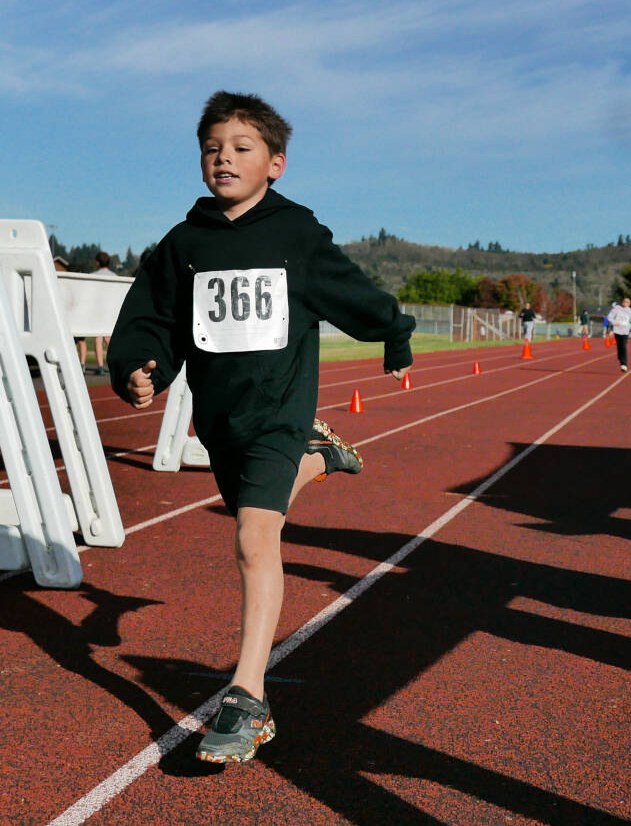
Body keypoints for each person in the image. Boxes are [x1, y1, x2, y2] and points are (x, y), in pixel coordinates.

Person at [109, 91, 414, 764]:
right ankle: (318, 457)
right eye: (212, 148)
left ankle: (247, 698)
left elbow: (347, 288)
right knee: (254, 525)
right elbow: (154, 318)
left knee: (253, 539)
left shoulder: (296, 234)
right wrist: (140, 367)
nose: (224, 158)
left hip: (280, 409)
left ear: (275, 163)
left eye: (241, 148)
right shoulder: (183, 244)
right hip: (219, 416)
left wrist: (392, 331)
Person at [79, 252, 117, 374]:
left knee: (98, 338)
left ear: (97, 262)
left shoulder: (92, 276)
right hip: (110, 310)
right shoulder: (115, 276)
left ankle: (100, 367)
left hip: (97, 310)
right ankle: (115, 364)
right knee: (109, 338)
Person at [605, 297, 631, 371]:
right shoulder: (617, 308)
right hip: (617, 330)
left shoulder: (630, 311)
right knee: (619, 346)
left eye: (627, 302)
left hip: (626, 331)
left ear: (629, 304)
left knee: (623, 346)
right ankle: (620, 357)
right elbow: (609, 317)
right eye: (624, 301)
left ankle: (624, 364)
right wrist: (615, 323)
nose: (625, 303)